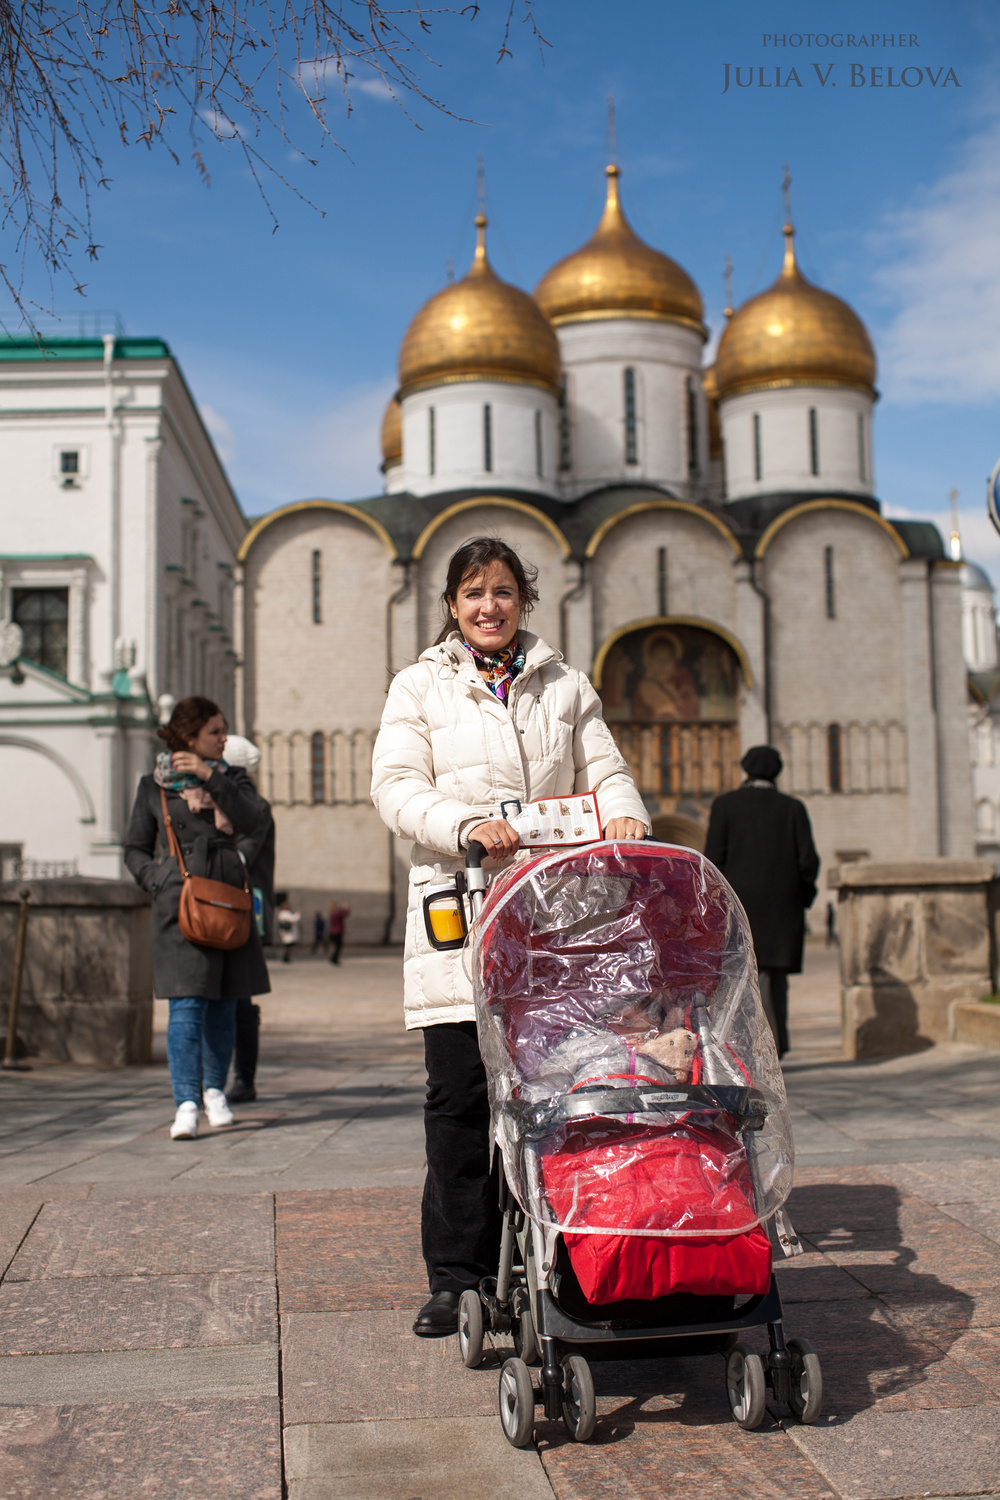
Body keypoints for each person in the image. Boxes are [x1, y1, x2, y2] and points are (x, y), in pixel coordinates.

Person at [370, 536, 649, 1338]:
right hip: (460, 914)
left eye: (501, 591)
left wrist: (625, 809)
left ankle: (572, 1256)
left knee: (563, 1094)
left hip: (554, 920)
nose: (487, 606)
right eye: (471, 593)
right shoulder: (422, 685)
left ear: (524, 600)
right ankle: (457, 1278)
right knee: (459, 1099)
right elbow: (395, 786)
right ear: (452, 606)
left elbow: (607, 767)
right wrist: (463, 823)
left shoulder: (565, 684)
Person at [124, 698, 271, 1140]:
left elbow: (254, 819)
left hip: (227, 900)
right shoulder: (154, 786)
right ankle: (185, 1102)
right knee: (186, 1007)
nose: (224, 738)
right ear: (189, 737)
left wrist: (212, 777)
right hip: (179, 904)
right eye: (215, 732)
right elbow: (134, 847)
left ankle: (214, 1091)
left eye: (223, 731)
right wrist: (158, 878)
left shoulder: (233, 780)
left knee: (224, 1003)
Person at [704, 745, 819, 1059]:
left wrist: (717, 906)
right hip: (783, 911)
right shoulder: (792, 808)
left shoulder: (725, 805)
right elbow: (808, 861)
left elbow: (713, 860)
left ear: (746, 770)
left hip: (740, 909)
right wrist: (802, 898)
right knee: (774, 981)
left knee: (738, 978)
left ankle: (742, 1051)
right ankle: (776, 1048)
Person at [222, 734, 275, 1104]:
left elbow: (242, 856)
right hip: (232, 905)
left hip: (241, 906)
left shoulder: (250, 806)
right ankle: (235, 1077)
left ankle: (243, 1077)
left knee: (239, 995)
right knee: (234, 995)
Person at [276, 895, 300, 962]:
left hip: (287, 932)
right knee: (288, 946)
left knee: (288, 945)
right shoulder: (284, 913)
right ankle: (286, 957)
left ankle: (286, 957)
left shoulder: (283, 913)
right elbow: (293, 919)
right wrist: (297, 915)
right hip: (288, 932)